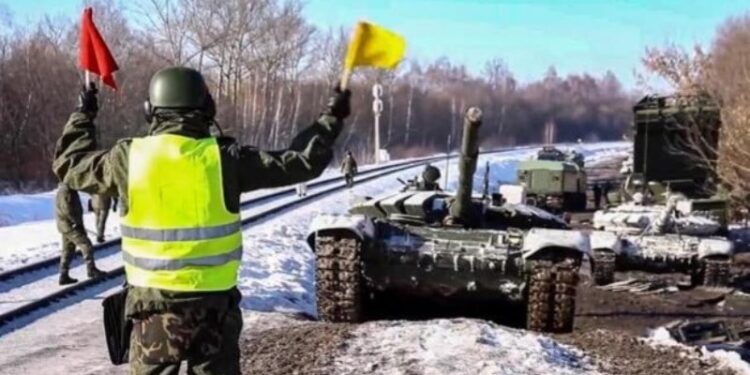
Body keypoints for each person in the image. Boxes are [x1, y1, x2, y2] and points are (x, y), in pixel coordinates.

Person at [52, 67, 350, 374]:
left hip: (152, 310)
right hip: (214, 312)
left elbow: (69, 164)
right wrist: (331, 118)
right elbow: (301, 162)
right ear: (208, 108)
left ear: (150, 110)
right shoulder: (225, 158)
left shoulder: (129, 158)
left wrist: (83, 113)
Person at [55, 183, 105, 285]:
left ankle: (63, 275)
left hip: (65, 225)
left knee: (68, 250)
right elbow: (67, 209)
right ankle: (91, 269)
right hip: (71, 225)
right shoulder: (67, 192)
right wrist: (76, 222)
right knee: (86, 245)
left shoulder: (65, 190)